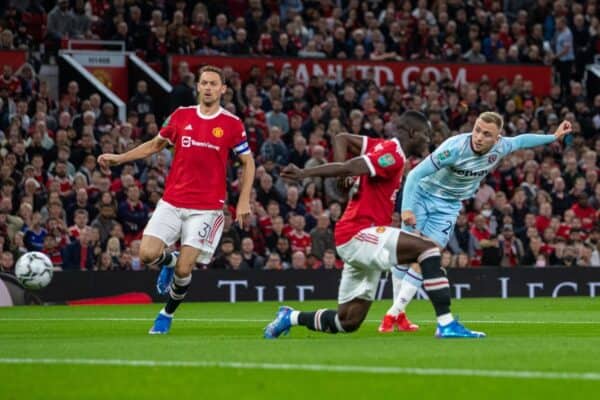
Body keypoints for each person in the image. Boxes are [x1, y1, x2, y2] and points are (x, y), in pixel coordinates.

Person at [264, 111, 485, 339]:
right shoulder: (393, 154)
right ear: (412, 133)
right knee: (427, 249)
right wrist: (304, 174)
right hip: (359, 233)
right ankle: (446, 324)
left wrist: (343, 174)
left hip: (358, 239)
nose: (428, 140)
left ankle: (289, 317)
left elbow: (341, 138)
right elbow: (350, 167)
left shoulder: (380, 145)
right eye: (425, 134)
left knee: (347, 321)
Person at [98, 65, 255, 334]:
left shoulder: (232, 123)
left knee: (185, 269)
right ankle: (167, 263)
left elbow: (248, 162)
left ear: (223, 89)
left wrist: (243, 200)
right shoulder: (180, 116)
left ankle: (166, 313)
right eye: (203, 82)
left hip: (207, 208)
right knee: (147, 254)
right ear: (198, 86)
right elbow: (155, 145)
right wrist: (120, 158)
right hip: (173, 200)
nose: (207, 87)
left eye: (213, 84)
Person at [380, 112, 572, 332]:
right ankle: (398, 314)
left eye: (486, 134)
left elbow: (521, 140)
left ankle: (394, 313)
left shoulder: (501, 147)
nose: (479, 136)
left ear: (497, 139)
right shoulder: (454, 148)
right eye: (477, 130)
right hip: (422, 196)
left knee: (429, 254)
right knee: (407, 255)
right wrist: (406, 210)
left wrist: (554, 136)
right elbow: (414, 175)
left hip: (448, 205)